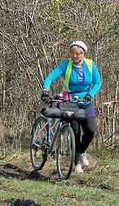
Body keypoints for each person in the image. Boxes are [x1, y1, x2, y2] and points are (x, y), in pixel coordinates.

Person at [42, 41, 102, 174]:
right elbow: (51, 76)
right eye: (73, 53)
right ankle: (77, 164)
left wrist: (90, 94)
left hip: (85, 101)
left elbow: (98, 82)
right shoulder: (66, 64)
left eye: (78, 53)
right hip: (70, 102)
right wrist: (46, 89)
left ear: (83, 53)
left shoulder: (91, 65)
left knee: (91, 130)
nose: (75, 56)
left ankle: (82, 152)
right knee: (75, 132)